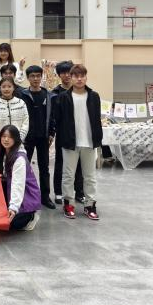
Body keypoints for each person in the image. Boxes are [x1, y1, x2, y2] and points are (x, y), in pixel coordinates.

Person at [52, 64, 102, 220]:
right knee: (68, 176)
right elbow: (57, 120)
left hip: (89, 142)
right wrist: (62, 138)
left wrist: (98, 139)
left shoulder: (94, 96)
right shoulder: (63, 97)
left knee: (90, 176)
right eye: (76, 76)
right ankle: (68, 204)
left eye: (82, 76)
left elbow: (97, 120)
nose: (79, 79)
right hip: (70, 143)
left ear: (86, 77)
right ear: (71, 78)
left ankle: (90, 205)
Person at [20, 65, 56, 209]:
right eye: (32, 76)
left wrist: (51, 133)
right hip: (27, 137)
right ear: (28, 78)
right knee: (24, 167)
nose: (35, 79)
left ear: (41, 77)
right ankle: (23, 195)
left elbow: (52, 116)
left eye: (38, 76)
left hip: (43, 137)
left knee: (44, 168)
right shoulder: (22, 95)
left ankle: (45, 197)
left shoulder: (48, 95)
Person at [51, 60, 84, 205]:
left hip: (80, 133)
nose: (66, 75)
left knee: (80, 163)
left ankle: (79, 192)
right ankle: (58, 192)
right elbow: (53, 116)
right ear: (59, 75)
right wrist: (52, 132)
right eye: (63, 73)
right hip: (62, 133)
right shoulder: (54, 94)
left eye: (68, 72)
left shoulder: (80, 91)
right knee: (60, 162)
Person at [0, 125, 41, 231]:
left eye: (10, 137)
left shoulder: (19, 159)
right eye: (4, 136)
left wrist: (13, 208)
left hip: (26, 198)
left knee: (9, 224)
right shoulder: (7, 153)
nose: (6, 139)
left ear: (16, 139)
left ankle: (31, 217)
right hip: (16, 195)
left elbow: (18, 184)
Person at [0, 77, 29, 174]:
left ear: (14, 88)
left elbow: (25, 122)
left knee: (17, 169)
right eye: (3, 87)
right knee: (0, 171)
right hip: (0, 144)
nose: (6, 89)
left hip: (18, 144)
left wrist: (18, 139)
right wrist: (0, 139)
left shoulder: (21, 103)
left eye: (9, 86)